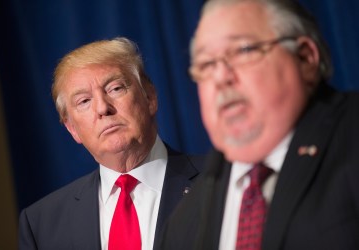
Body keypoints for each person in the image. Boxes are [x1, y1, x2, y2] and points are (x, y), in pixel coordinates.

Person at [158, 0, 359, 249]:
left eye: (243, 50)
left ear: (306, 58)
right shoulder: (183, 221)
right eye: (207, 64)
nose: (221, 78)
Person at [18, 37, 204, 250]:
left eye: (115, 88)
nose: (102, 108)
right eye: (84, 101)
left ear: (149, 97)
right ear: (72, 129)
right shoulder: (40, 225)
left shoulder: (219, 181)